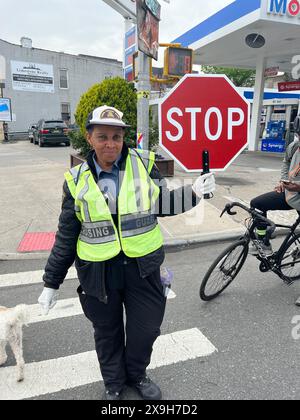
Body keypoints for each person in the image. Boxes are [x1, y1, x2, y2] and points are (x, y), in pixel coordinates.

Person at [38, 105, 216, 401]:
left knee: (145, 330)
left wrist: (194, 192)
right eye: (103, 136)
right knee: (107, 332)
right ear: (89, 138)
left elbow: (163, 205)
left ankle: (137, 374)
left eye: (116, 137)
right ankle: (114, 383)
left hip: (142, 266)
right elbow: (67, 235)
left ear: (124, 138)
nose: (110, 143)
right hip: (98, 271)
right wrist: (51, 282)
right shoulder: (76, 180)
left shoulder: (144, 165)